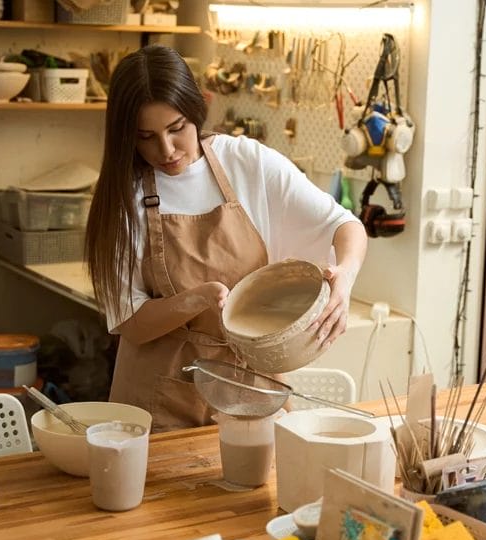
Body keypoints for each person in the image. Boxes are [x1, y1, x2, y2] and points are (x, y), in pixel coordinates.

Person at [85, 45, 368, 433]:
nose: (166, 150)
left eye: (177, 128)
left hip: (249, 390)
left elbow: (344, 225)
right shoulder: (122, 195)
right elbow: (130, 321)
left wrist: (346, 279)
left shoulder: (247, 163)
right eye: (146, 137)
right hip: (161, 400)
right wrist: (194, 300)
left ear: (198, 109)